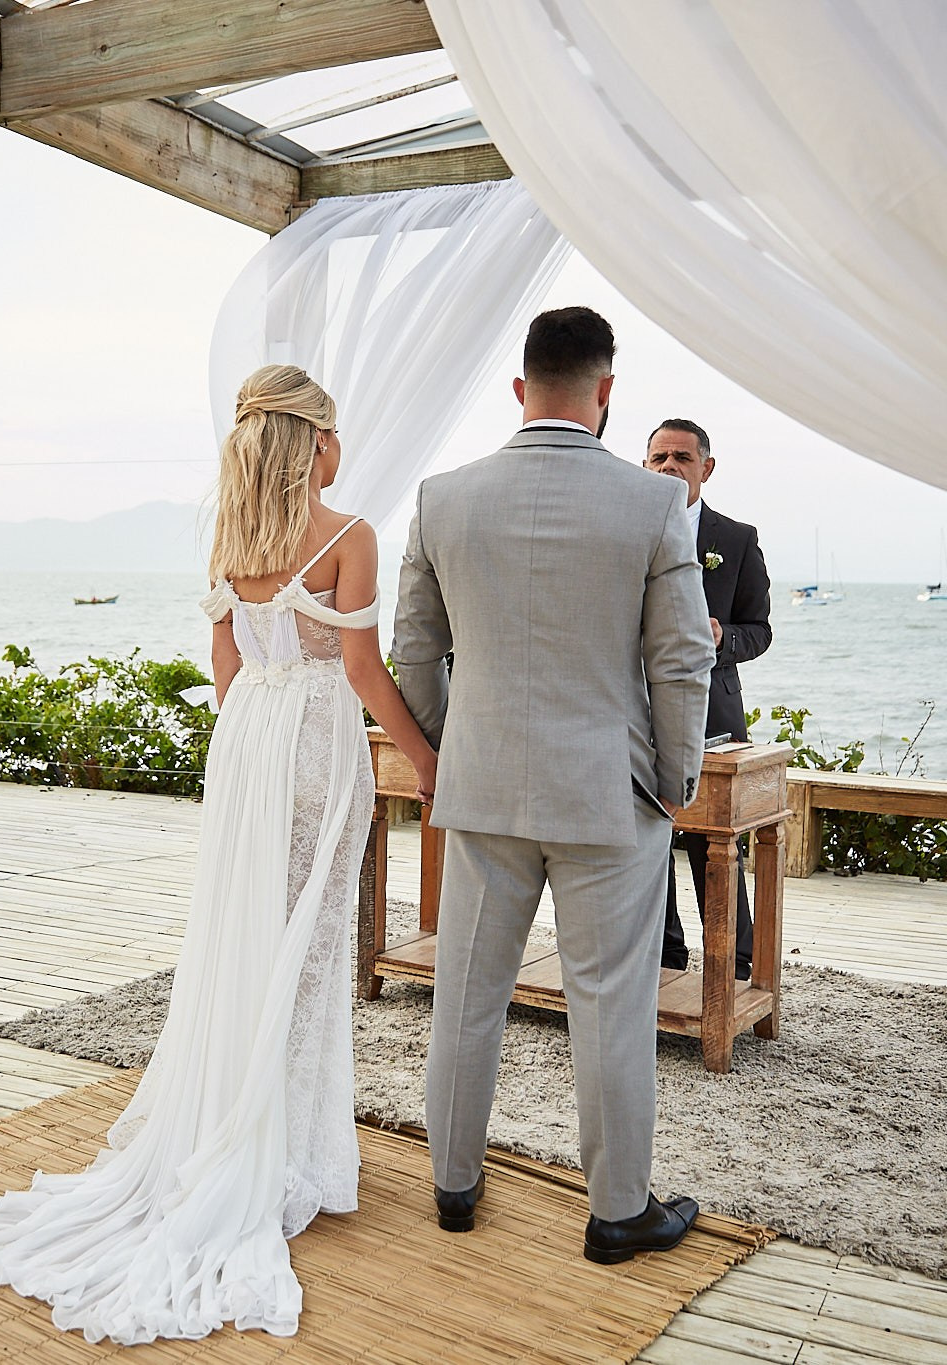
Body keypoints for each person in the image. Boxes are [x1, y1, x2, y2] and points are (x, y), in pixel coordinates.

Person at [0, 365, 438, 1344]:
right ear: (312, 441)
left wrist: (252, 747)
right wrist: (426, 761)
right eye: (332, 431)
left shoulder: (231, 540)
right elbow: (357, 668)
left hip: (247, 749)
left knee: (242, 946)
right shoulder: (348, 536)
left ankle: (253, 1133)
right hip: (314, 742)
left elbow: (225, 672)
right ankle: (289, 1157)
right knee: (310, 956)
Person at [392, 307, 716, 1264]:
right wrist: (674, 781)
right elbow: (683, 659)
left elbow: (414, 646)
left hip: (483, 786)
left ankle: (454, 1186)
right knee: (610, 1001)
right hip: (609, 797)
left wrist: (454, 749)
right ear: (606, 392)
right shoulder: (654, 504)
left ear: (520, 386)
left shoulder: (442, 498)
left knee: (466, 992)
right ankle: (618, 1212)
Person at [645, 418, 772, 979]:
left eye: (681, 458)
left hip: (713, 715)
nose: (669, 467)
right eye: (658, 459)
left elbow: (760, 629)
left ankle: (738, 962)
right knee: (648, 843)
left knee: (714, 845)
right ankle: (666, 955)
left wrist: (725, 639)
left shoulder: (737, 539)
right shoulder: (628, 527)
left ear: (706, 468)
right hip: (636, 709)